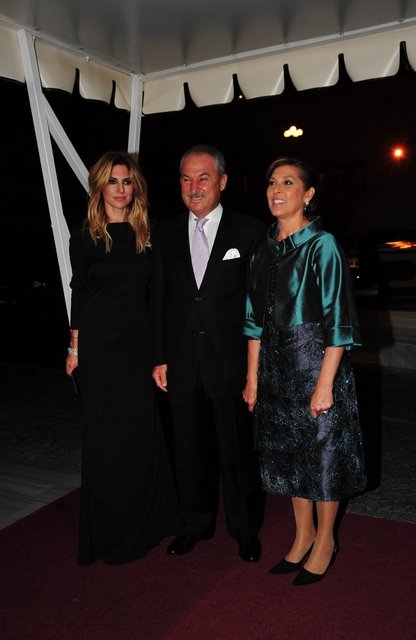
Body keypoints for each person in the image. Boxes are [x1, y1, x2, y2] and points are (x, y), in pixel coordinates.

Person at [243, 157, 366, 585]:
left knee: (323, 457)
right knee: (291, 456)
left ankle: (326, 540)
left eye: (288, 182)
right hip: (276, 370)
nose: (276, 190)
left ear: (308, 194)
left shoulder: (322, 244)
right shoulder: (263, 248)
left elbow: (339, 322)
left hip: (316, 366)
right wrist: (252, 378)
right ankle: (303, 535)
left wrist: (325, 385)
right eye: (272, 182)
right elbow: (253, 321)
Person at [65, 151, 181, 565]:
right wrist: (74, 348)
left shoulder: (148, 234)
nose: (120, 189)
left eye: (127, 181)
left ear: (136, 188)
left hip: (136, 351)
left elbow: (158, 300)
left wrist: (159, 356)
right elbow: (80, 293)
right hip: (99, 350)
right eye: (113, 181)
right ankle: (108, 532)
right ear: (100, 186)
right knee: (105, 442)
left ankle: (146, 524)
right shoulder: (85, 237)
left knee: (138, 437)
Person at [152, 145, 265, 562]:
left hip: (230, 362)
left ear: (222, 181)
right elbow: (158, 301)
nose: (194, 186)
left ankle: (245, 529)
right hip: (181, 362)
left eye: (203, 177)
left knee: (237, 451)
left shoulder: (249, 231)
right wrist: (159, 356)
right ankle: (193, 525)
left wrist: (255, 370)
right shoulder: (164, 233)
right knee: (188, 449)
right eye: (186, 178)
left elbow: (258, 305)